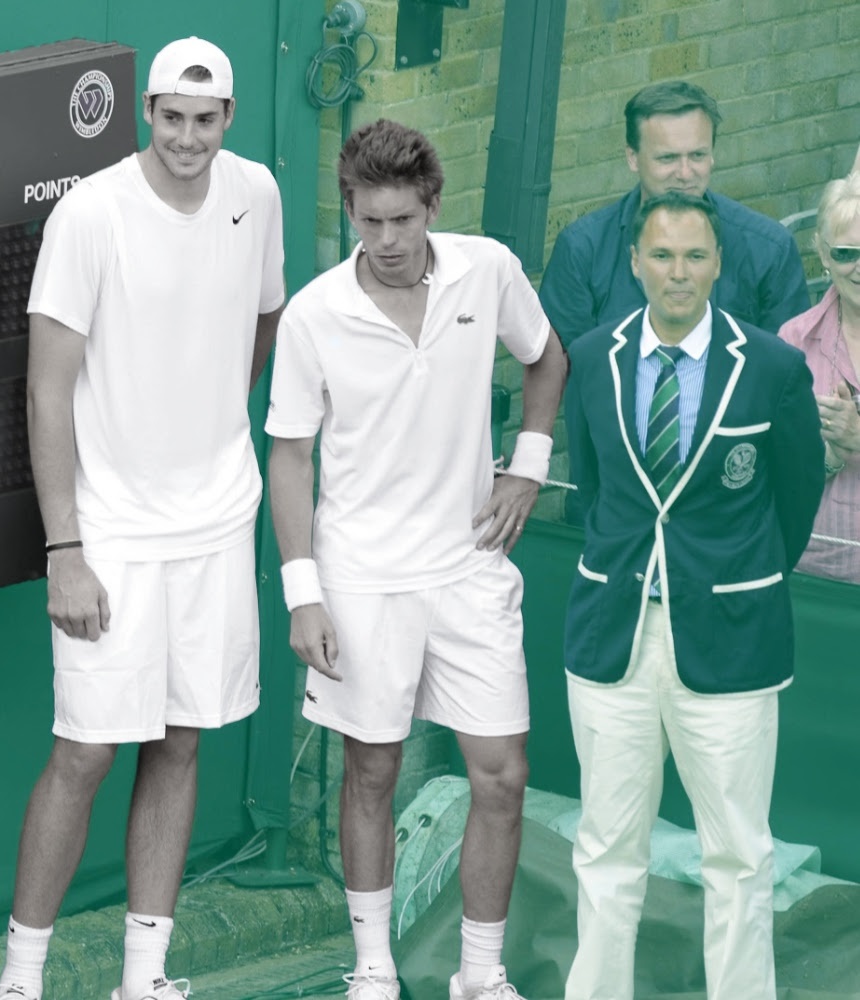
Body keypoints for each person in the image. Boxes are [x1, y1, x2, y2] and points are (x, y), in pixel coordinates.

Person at [0, 36, 286, 1000]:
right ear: (145, 112)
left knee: (184, 740)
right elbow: (47, 388)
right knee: (86, 751)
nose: (187, 138)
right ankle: (19, 982)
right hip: (108, 534)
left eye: (205, 120)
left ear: (227, 119)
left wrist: (209, 429)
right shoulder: (92, 213)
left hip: (216, 521)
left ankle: (142, 980)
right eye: (170, 118)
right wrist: (65, 547)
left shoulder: (258, 195)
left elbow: (263, 320)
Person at [266, 119, 568, 1000]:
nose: (388, 242)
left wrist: (528, 469)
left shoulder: (489, 268)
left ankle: (480, 976)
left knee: (502, 774)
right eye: (370, 223)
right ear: (351, 212)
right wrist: (303, 595)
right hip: (360, 577)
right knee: (373, 771)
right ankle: (372, 969)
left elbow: (547, 360)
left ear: (432, 206)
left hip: (469, 566)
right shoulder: (316, 314)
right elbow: (289, 456)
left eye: (403, 220)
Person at [560, 191, 824, 1000]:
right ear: (636, 262)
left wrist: (736, 580)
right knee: (606, 848)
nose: (680, 273)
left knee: (740, 856)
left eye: (696, 256)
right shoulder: (595, 357)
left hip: (733, 638)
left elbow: (796, 493)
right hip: (613, 635)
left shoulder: (774, 366)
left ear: (719, 263)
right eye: (663, 256)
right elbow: (595, 491)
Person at [541, 81, 811, 343]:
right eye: (667, 158)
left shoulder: (769, 250)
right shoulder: (582, 251)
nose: (685, 174)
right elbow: (566, 371)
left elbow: (786, 371)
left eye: (697, 156)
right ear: (632, 157)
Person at [777, 167, 860, 582]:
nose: (859, 267)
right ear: (823, 254)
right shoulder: (794, 340)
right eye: (847, 253)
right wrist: (826, 457)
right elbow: (772, 464)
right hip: (813, 570)